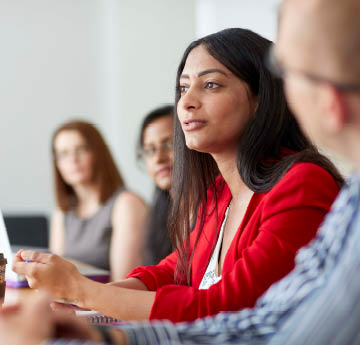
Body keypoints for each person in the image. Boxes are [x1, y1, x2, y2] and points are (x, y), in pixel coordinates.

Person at [13, 28, 341, 323]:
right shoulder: (219, 192)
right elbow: (174, 270)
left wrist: (85, 292)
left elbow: (231, 306)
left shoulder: (302, 182)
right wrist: (84, 300)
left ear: (261, 100)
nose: (186, 103)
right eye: (183, 88)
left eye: (210, 85)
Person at [49, 120, 147, 281]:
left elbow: (122, 284)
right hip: (70, 302)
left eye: (81, 149)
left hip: (109, 303)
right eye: (63, 154)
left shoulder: (126, 204)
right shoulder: (62, 211)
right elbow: (56, 276)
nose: (73, 160)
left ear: (98, 154)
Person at [137, 105, 174, 266]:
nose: (158, 158)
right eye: (151, 150)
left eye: (170, 144)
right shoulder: (158, 213)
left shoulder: (215, 208)